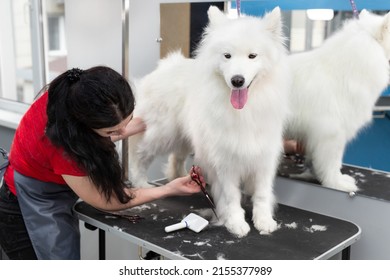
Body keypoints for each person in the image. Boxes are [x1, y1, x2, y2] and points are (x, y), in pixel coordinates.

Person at [0, 66, 204, 260]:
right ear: (84, 127)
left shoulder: (75, 93)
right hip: (25, 207)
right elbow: (106, 199)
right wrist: (167, 189)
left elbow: (104, 134)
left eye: (128, 120)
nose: (121, 134)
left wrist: (149, 123)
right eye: (111, 132)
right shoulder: (64, 148)